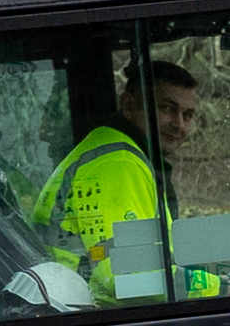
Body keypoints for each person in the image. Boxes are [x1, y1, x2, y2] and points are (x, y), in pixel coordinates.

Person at [42, 57, 212, 291]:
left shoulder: (121, 154)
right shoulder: (117, 163)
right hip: (89, 314)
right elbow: (134, 278)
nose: (179, 125)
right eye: (166, 109)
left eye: (188, 115)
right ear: (129, 105)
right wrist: (222, 289)